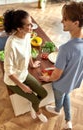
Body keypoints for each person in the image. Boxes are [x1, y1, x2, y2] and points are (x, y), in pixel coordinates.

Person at [40, 1, 83, 129]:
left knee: (60, 98)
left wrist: (48, 78)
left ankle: (57, 109)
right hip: (73, 82)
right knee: (67, 95)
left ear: (75, 23)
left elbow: (56, 76)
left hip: (60, 84)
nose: (61, 21)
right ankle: (68, 121)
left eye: (65, 19)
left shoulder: (65, 48)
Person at [3, 9, 48, 123]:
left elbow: (28, 51)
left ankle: (33, 104)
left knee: (43, 93)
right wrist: (23, 86)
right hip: (13, 80)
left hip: (24, 74)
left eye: (31, 22)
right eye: (28, 25)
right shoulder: (11, 44)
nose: (31, 26)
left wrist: (32, 65)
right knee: (35, 99)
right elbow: (9, 72)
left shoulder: (27, 34)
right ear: (19, 28)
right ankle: (37, 111)